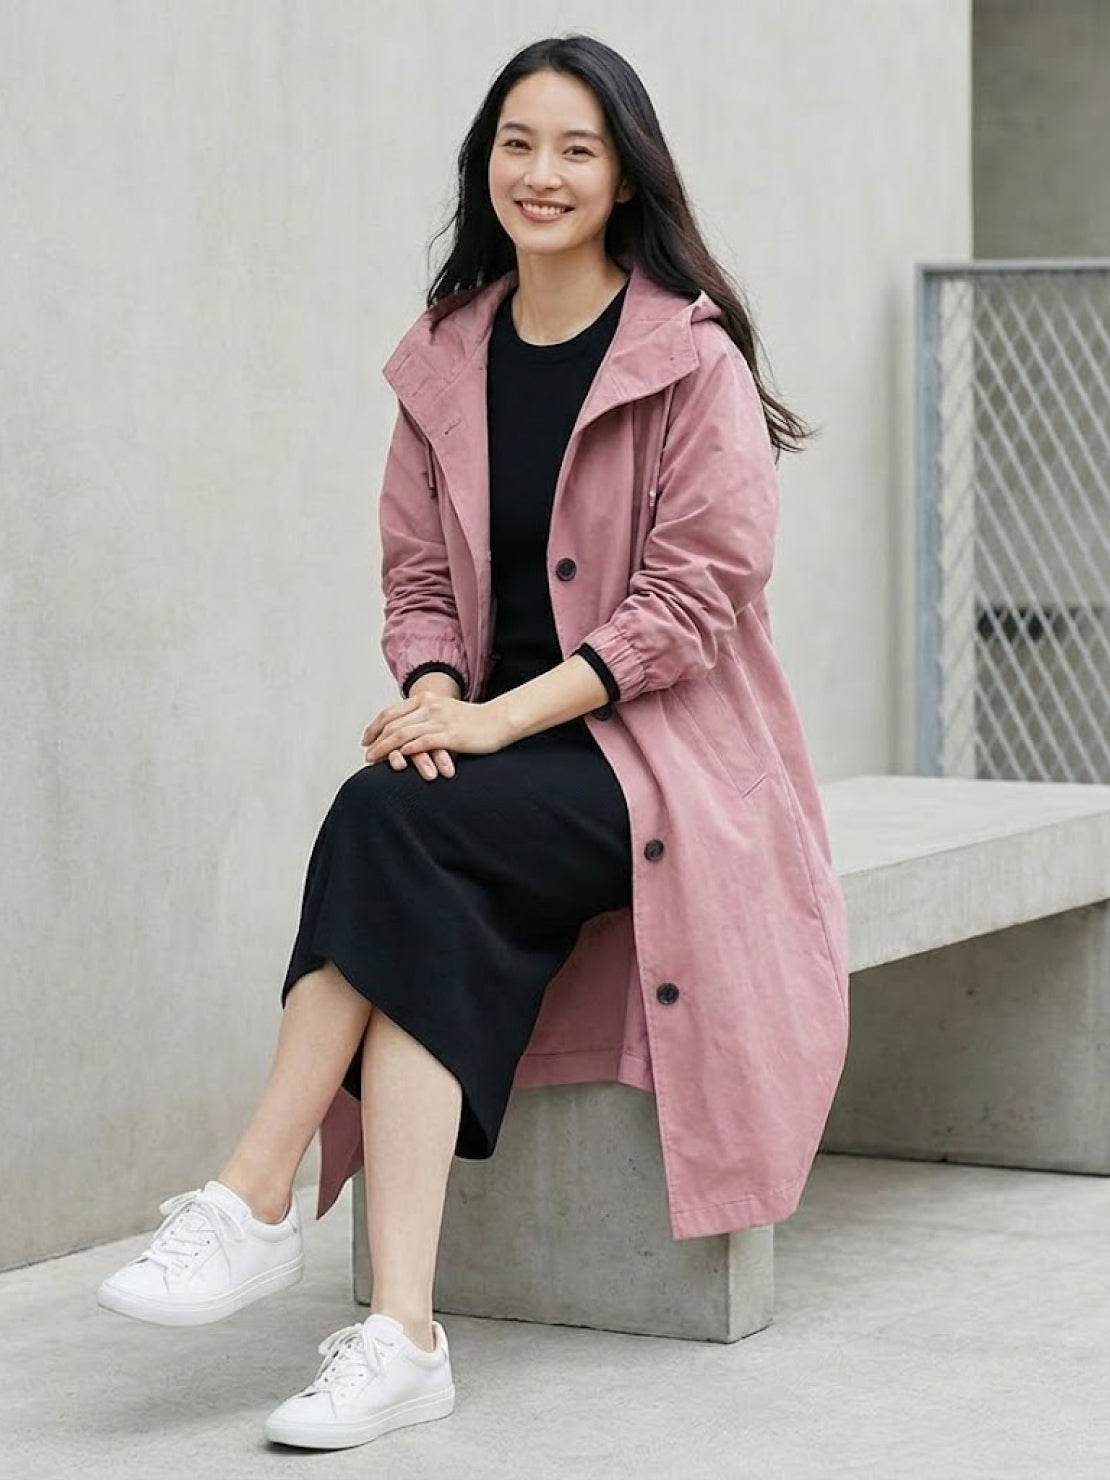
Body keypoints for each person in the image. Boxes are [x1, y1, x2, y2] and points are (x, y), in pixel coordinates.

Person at [97, 33, 816, 1453]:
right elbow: (419, 579)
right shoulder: (446, 355)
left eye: (576, 149)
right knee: (422, 873)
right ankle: (402, 1335)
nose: (540, 174)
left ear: (626, 177)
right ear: (484, 163)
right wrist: (435, 692)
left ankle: (255, 1194)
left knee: (387, 816)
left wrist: (483, 720)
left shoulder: (689, 360)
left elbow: (692, 603)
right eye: (515, 144)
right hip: (491, 761)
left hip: (658, 764)